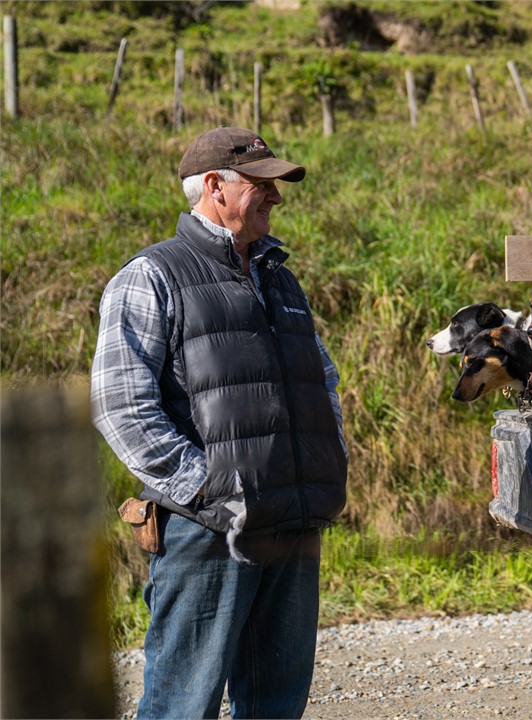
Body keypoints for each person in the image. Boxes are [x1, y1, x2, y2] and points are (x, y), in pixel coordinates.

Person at [91, 126, 348, 719]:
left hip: (291, 523)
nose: (277, 199)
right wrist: (211, 490)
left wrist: (324, 466)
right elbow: (120, 405)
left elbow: (322, 381)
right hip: (207, 531)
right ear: (215, 187)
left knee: (276, 707)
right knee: (184, 704)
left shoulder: (280, 278)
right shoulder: (151, 275)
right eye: (264, 186)